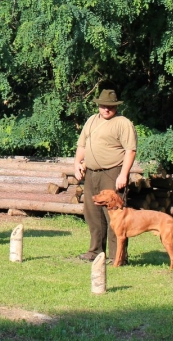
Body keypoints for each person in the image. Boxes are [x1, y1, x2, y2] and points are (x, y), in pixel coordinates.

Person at [74, 89, 138, 263]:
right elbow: (82, 145)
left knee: (115, 215)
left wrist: (123, 174)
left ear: (116, 106)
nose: (106, 109)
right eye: (103, 106)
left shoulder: (123, 123)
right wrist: (77, 163)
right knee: (92, 213)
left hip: (112, 172)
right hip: (91, 172)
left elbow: (130, 151)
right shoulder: (91, 120)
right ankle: (95, 251)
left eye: (110, 106)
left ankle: (117, 256)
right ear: (98, 105)